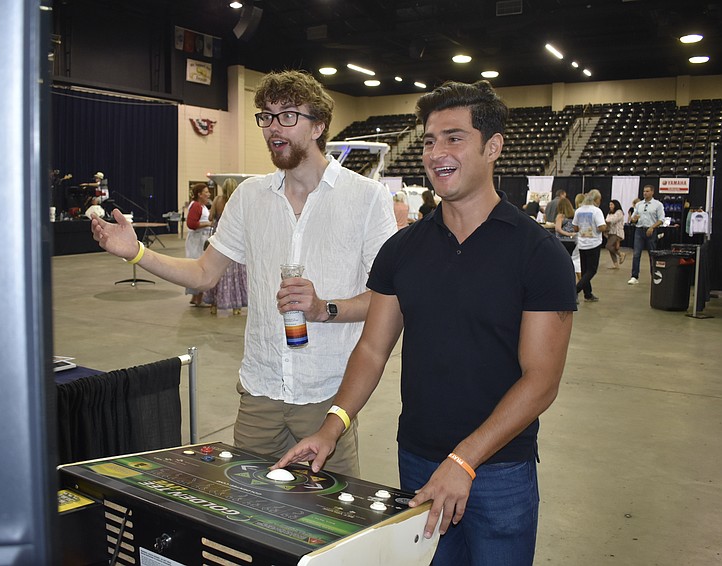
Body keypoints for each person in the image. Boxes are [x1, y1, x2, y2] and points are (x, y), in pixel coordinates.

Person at [273, 80, 575, 565]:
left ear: (492, 146)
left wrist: (464, 460)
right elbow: (372, 350)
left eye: (454, 138)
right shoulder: (403, 249)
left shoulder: (538, 254)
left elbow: (541, 380)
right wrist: (331, 428)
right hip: (418, 459)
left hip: (499, 469)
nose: (437, 153)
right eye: (430, 140)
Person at [91, 70, 396, 476]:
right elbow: (204, 274)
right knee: (250, 518)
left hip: (327, 395)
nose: (273, 128)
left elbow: (389, 299)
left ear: (319, 125)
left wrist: (325, 308)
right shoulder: (250, 197)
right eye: (266, 116)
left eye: (288, 116)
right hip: (259, 394)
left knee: (328, 524)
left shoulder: (367, 198)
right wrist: (137, 253)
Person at [203, 178, 248, 315]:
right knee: (236, 274)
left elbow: (210, 218)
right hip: (236, 239)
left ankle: (214, 305)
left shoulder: (217, 200)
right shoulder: (238, 200)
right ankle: (236, 307)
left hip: (221, 238)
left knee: (217, 271)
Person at [573, 189, 607, 302]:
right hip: (593, 243)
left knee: (584, 270)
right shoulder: (597, 211)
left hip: (582, 243)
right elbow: (602, 227)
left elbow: (575, 228)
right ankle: (575, 290)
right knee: (592, 270)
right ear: (596, 199)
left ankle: (588, 294)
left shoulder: (578, 210)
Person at [627, 185, 665, 285]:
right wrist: (633, 219)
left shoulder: (658, 205)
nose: (645, 193)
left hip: (651, 231)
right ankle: (634, 276)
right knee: (636, 254)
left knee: (652, 254)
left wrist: (652, 227)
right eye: (644, 191)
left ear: (652, 192)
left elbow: (661, 219)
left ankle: (654, 275)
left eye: (647, 191)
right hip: (639, 230)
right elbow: (633, 218)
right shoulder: (639, 204)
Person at [185, 183, 213, 307]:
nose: (208, 194)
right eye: (206, 192)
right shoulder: (196, 206)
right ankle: (198, 297)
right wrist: (209, 223)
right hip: (197, 241)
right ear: (199, 194)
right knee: (199, 267)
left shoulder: (202, 206)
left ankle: (197, 296)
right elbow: (192, 224)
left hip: (200, 240)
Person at [604, 199, 626, 269]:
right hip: (610, 232)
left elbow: (613, 220)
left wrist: (605, 221)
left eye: (611, 205)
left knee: (608, 246)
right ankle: (615, 264)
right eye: (609, 205)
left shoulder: (619, 212)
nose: (610, 206)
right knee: (611, 249)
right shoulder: (609, 213)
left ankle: (620, 254)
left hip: (616, 232)